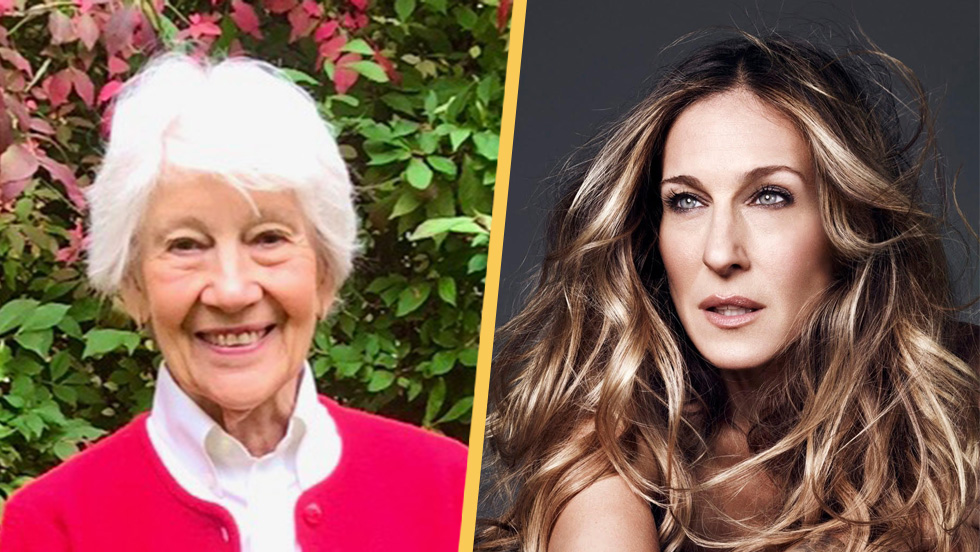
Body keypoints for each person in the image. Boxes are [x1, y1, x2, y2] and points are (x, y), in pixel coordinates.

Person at [479, 32, 979, 552]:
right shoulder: (614, 424)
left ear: (850, 220)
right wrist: (605, 470)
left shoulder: (954, 406)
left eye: (769, 196)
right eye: (687, 201)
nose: (720, 253)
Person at [0, 54, 467, 552]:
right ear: (133, 286)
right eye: (186, 245)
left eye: (268, 239)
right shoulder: (48, 529)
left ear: (325, 275)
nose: (231, 290)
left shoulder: (450, 489)